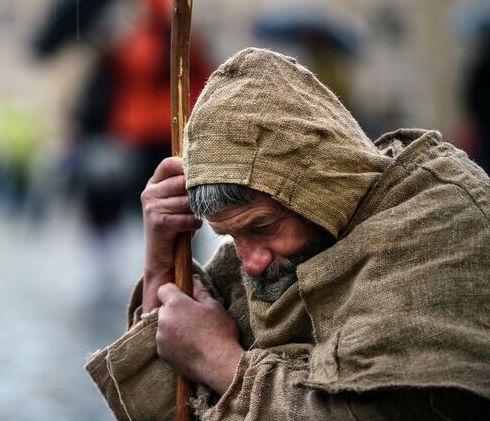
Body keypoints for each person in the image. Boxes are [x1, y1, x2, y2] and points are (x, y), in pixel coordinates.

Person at [86, 48, 490, 420]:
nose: (251, 261)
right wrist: (160, 262)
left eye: (261, 227)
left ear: (317, 188)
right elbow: (178, 406)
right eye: (229, 236)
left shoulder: (439, 224)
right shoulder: (271, 256)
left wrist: (220, 360)